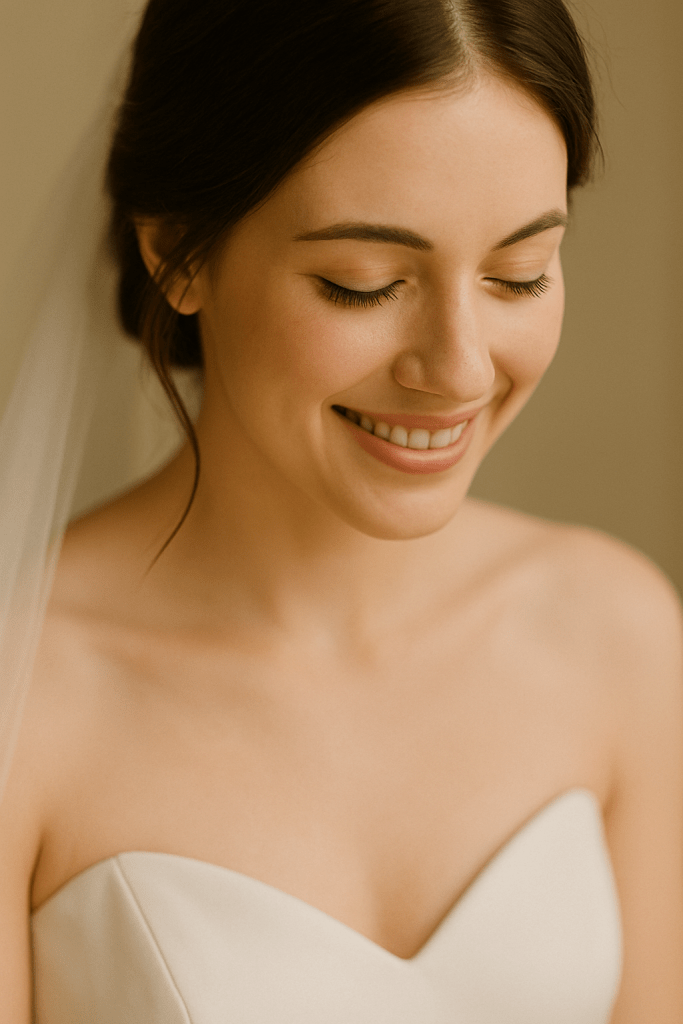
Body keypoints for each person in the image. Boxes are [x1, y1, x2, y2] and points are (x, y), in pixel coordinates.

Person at [1, 0, 681, 1020]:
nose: (459, 369)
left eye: (518, 275)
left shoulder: (612, 630)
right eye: (362, 284)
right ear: (178, 252)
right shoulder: (26, 697)